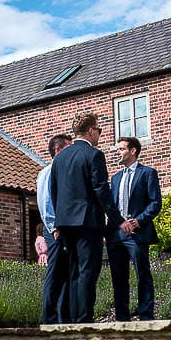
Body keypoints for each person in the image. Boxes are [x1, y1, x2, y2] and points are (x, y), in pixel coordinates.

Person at [50, 112, 129, 323]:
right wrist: (118, 220)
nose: (100, 135)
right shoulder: (94, 155)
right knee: (87, 272)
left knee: (72, 272)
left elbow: (54, 192)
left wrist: (59, 221)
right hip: (87, 223)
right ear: (91, 131)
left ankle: (69, 320)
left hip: (65, 223)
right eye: (100, 131)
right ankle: (84, 320)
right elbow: (101, 191)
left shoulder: (60, 158)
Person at [107, 136, 162, 322]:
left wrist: (138, 221)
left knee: (142, 274)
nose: (118, 153)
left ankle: (145, 315)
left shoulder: (147, 173)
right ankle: (122, 318)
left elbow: (155, 203)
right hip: (116, 234)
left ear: (133, 151)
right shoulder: (115, 178)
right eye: (118, 150)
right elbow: (112, 206)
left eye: (121, 149)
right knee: (119, 278)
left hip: (137, 233)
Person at [37, 133, 73, 324]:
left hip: (66, 229)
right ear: (58, 150)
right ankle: (49, 318)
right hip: (55, 230)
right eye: (69, 147)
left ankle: (63, 317)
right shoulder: (48, 172)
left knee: (66, 273)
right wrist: (54, 228)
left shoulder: (64, 172)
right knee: (55, 272)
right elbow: (45, 202)